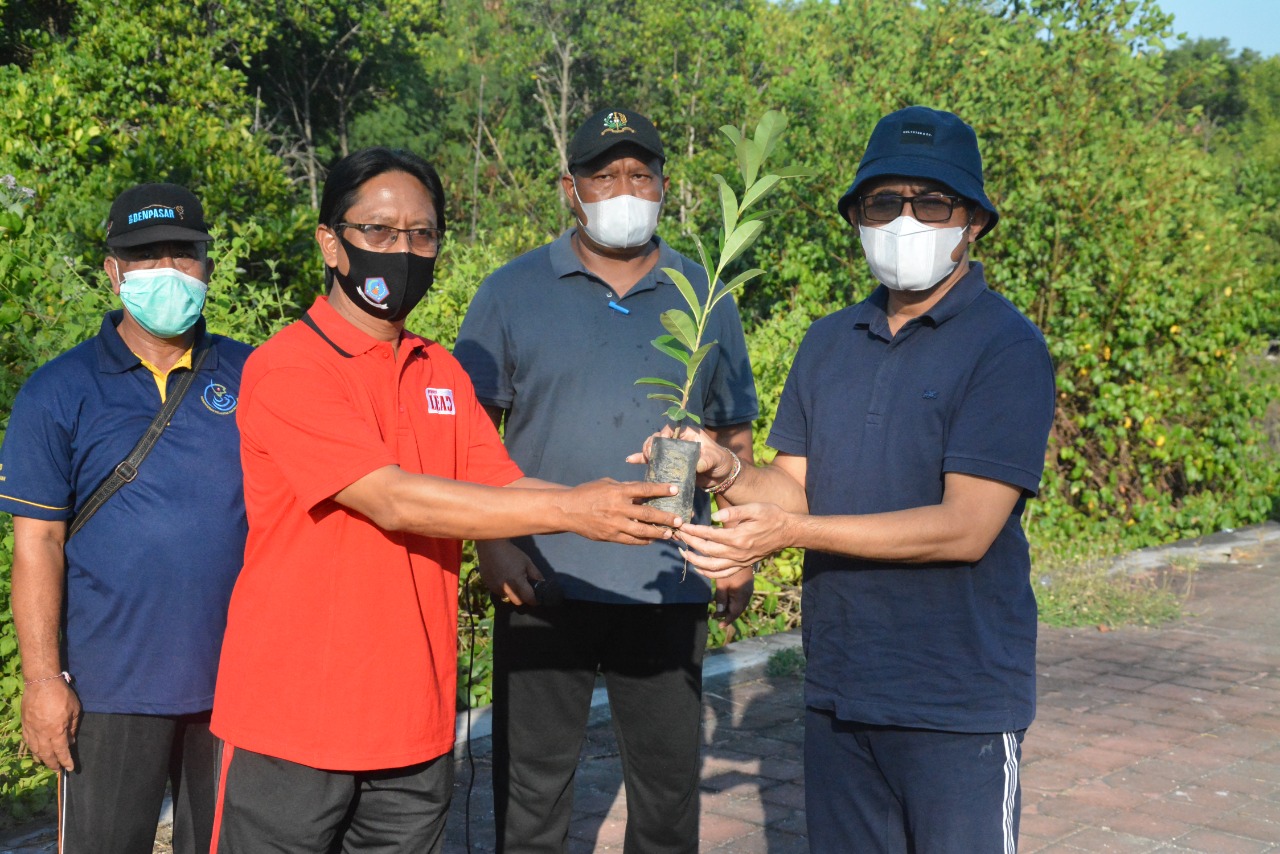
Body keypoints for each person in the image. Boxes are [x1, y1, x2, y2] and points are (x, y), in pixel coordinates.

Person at [208, 147, 681, 853]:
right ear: (331, 243)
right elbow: (391, 499)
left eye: (422, 234)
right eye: (379, 231)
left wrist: (621, 503)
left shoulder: (441, 372)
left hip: (413, 724)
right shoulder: (289, 367)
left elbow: (501, 484)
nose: (403, 250)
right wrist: (574, 510)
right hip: (294, 725)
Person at [650, 106, 1056, 852]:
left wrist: (790, 532)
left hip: (957, 700)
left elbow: (966, 528)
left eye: (931, 203)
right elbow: (793, 489)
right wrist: (726, 468)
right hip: (840, 688)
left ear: (973, 223)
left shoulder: (1006, 347)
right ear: (857, 218)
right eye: (883, 203)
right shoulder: (829, 341)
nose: (905, 221)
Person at [454, 107, 759, 853]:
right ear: (571, 189)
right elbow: (467, 434)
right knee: (531, 790)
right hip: (541, 575)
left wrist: (735, 547)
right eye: (603, 175)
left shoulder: (704, 294)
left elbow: (731, 433)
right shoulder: (511, 290)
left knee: (666, 793)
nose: (624, 190)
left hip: (666, 576)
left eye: (639, 174)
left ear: (663, 186)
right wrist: (493, 546)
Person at [0, 183, 250, 853]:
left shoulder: (255, 376)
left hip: (236, 685)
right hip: (107, 691)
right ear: (113, 272)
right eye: (145, 256)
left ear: (208, 265)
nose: (166, 270)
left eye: (182, 253)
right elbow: (38, 544)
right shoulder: (57, 391)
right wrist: (42, 682)